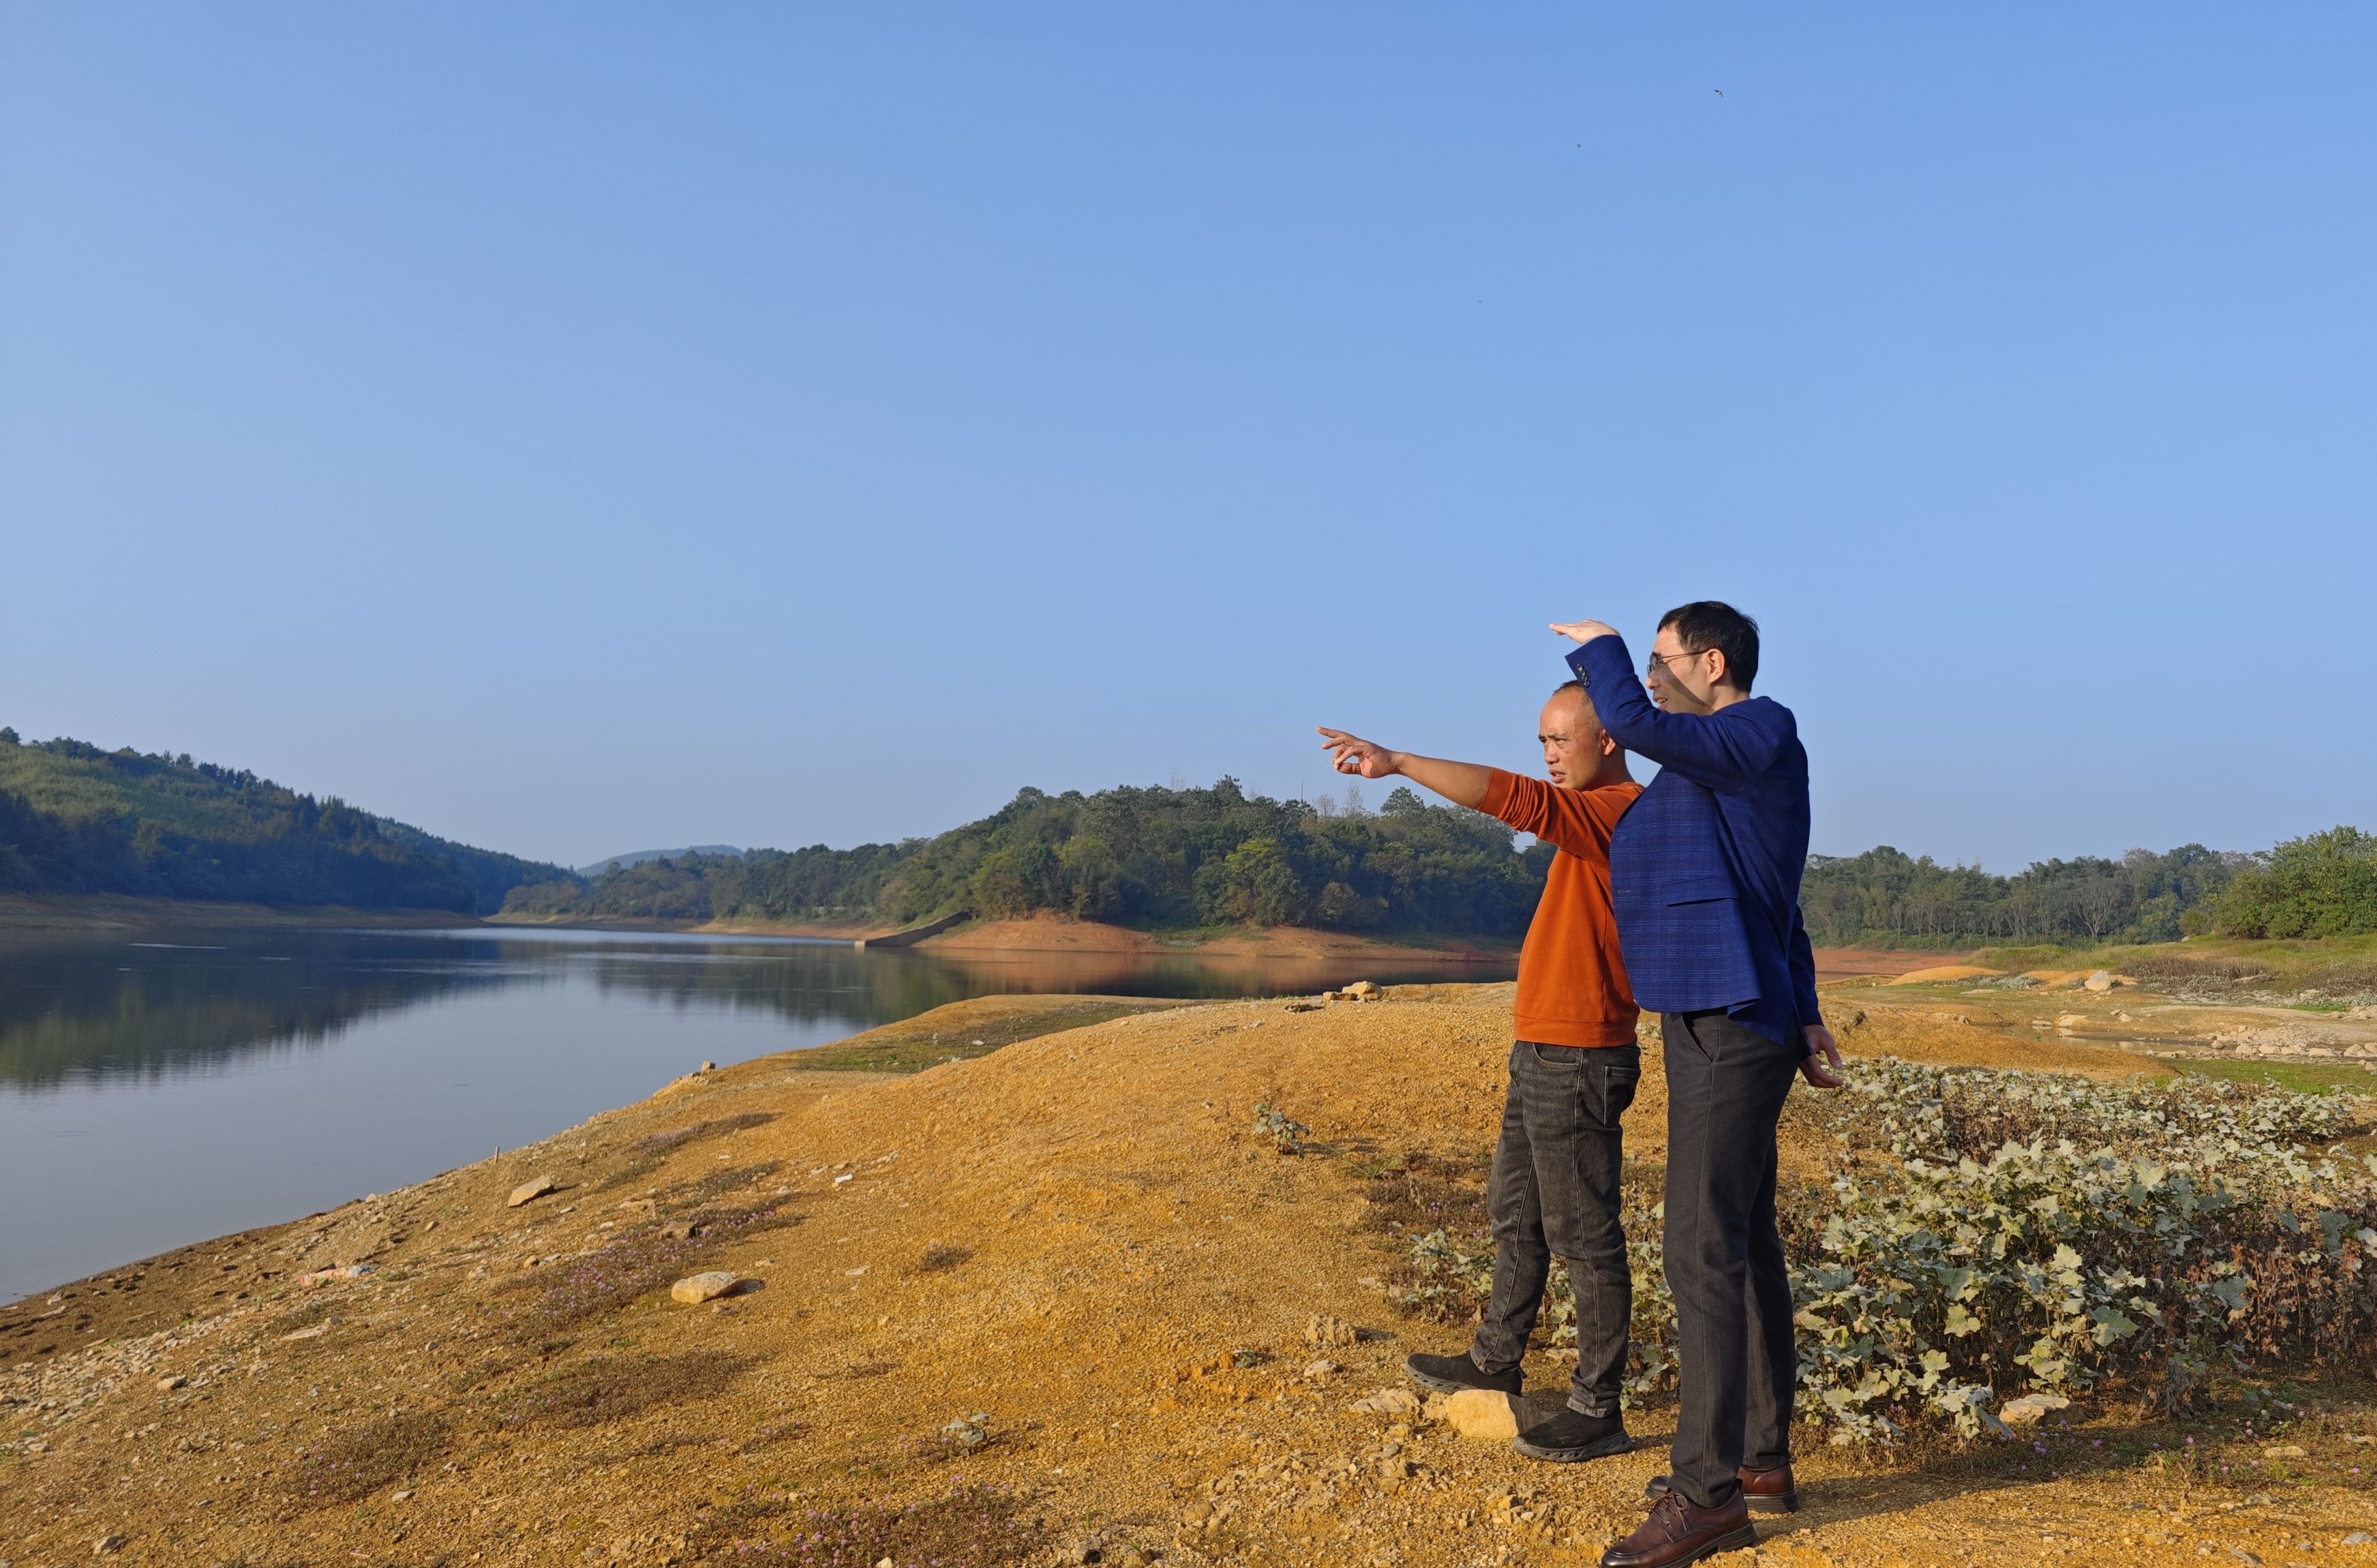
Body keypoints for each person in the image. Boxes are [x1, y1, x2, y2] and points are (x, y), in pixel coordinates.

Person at [1549, 603, 1843, 1568]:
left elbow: (1632, 724)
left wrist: (1592, 651)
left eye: (1658, 658)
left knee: (1698, 1246)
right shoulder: (1708, 767)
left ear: (1710, 663)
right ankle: (1756, 1458)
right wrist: (1804, 1012)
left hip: (1726, 1019)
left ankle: (1706, 1494)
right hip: (1719, 1010)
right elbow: (1776, 900)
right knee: (1740, 1237)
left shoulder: (1757, 729)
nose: (1648, 676)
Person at [1316, 681, 1646, 1465]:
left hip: (1582, 1052)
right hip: (1542, 1046)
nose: (1549, 755)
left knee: (1583, 1234)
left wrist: (1397, 760)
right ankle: (1495, 1359)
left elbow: (1514, 800)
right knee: (1515, 1208)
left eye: (1561, 739)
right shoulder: (1591, 814)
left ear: (1607, 740)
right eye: (1541, 741)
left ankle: (1598, 1407)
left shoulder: (1620, 811)